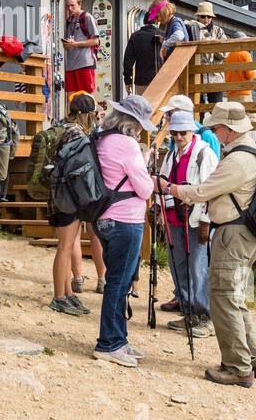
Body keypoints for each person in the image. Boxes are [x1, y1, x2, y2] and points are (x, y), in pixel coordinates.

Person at [162, 101, 256, 387]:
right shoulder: (250, 152)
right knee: (235, 297)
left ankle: (237, 366)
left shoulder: (237, 160)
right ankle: (253, 358)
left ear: (229, 129)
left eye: (217, 127)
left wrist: (170, 189)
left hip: (233, 234)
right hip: (242, 232)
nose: (214, 132)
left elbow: (202, 191)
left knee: (223, 298)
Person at [91, 95, 158, 367]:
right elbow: (144, 188)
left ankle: (119, 339)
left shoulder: (101, 138)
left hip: (103, 218)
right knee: (119, 283)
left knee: (117, 280)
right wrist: (144, 162)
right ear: (134, 123)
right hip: (126, 220)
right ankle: (108, 343)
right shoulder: (128, 144)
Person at [156, 109, 217, 337]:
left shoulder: (204, 154)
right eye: (175, 133)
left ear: (191, 130)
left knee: (198, 267)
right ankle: (189, 310)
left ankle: (205, 316)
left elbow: (210, 190)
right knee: (178, 264)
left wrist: (205, 222)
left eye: (182, 132)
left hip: (195, 218)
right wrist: (157, 205)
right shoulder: (173, 155)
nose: (179, 137)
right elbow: (163, 182)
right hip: (174, 217)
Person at [48, 92, 102, 316]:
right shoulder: (76, 133)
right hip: (68, 196)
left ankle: (68, 293)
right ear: (87, 114)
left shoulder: (63, 127)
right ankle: (59, 297)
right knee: (65, 247)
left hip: (60, 194)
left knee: (67, 246)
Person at [61, 0, 101, 96]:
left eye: (72, 5)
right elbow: (67, 46)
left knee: (86, 96)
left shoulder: (87, 17)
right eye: (67, 6)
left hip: (85, 63)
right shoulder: (69, 21)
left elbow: (95, 41)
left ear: (79, 4)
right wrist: (66, 44)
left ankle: (90, 113)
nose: (70, 8)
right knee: (71, 97)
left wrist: (76, 44)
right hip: (70, 65)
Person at [159, 93, 221, 157]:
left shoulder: (207, 136)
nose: (166, 117)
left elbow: (215, 165)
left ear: (182, 113)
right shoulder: (175, 135)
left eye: (168, 113)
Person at [122, 1, 164, 94]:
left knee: (142, 107)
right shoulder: (163, 35)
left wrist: (127, 81)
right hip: (160, 80)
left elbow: (128, 61)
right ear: (157, 21)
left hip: (141, 81)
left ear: (144, 21)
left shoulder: (135, 36)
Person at [223, 33, 256, 104]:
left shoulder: (227, 56)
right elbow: (249, 75)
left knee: (233, 114)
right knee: (249, 114)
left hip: (230, 93)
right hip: (243, 92)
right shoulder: (245, 54)